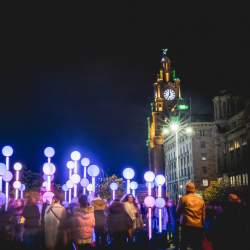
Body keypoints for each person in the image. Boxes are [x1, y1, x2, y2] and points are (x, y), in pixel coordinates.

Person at [176, 182, 205, 250]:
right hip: (198, 226)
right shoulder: (201, 200)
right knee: (197, 246)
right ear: (194, 189)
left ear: (186, 189)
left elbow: (177, 211)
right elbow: (203, 215)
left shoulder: (183, 199)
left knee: (184, 245)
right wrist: (202, 225)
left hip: (186, 225)